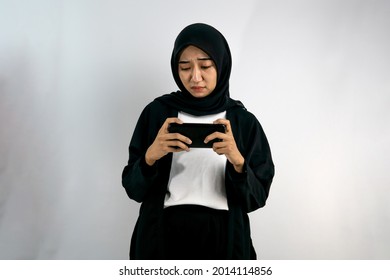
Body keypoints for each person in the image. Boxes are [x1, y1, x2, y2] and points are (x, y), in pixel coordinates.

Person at [121, 23, 274, 260]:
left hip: (224, 239)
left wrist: (237, 160)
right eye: (184, 67)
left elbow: (257, 198)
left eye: (205, 66)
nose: (195, 77)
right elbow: (133, 188)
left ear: (221, 66)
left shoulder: (243, 122)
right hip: (162, 237)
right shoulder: (157, 113)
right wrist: (151, 155)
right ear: (176, 68)